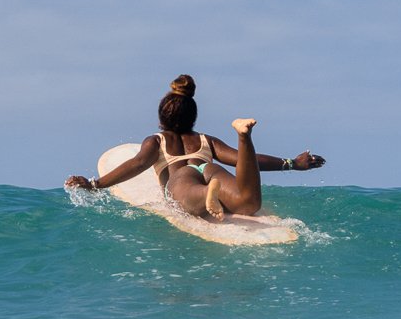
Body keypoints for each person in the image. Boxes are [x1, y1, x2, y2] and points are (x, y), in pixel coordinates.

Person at [65, 74, 325, 222]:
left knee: (188, 198)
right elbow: (246, 162)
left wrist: (95, 184)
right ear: (193, 116)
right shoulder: (206, 140)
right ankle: (244, 136)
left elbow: (136, 164)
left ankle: (205, 195)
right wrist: (292, 163)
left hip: (182, 177)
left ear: (162, 116)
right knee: (248, 203)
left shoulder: (157, 141)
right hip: (209, 168)